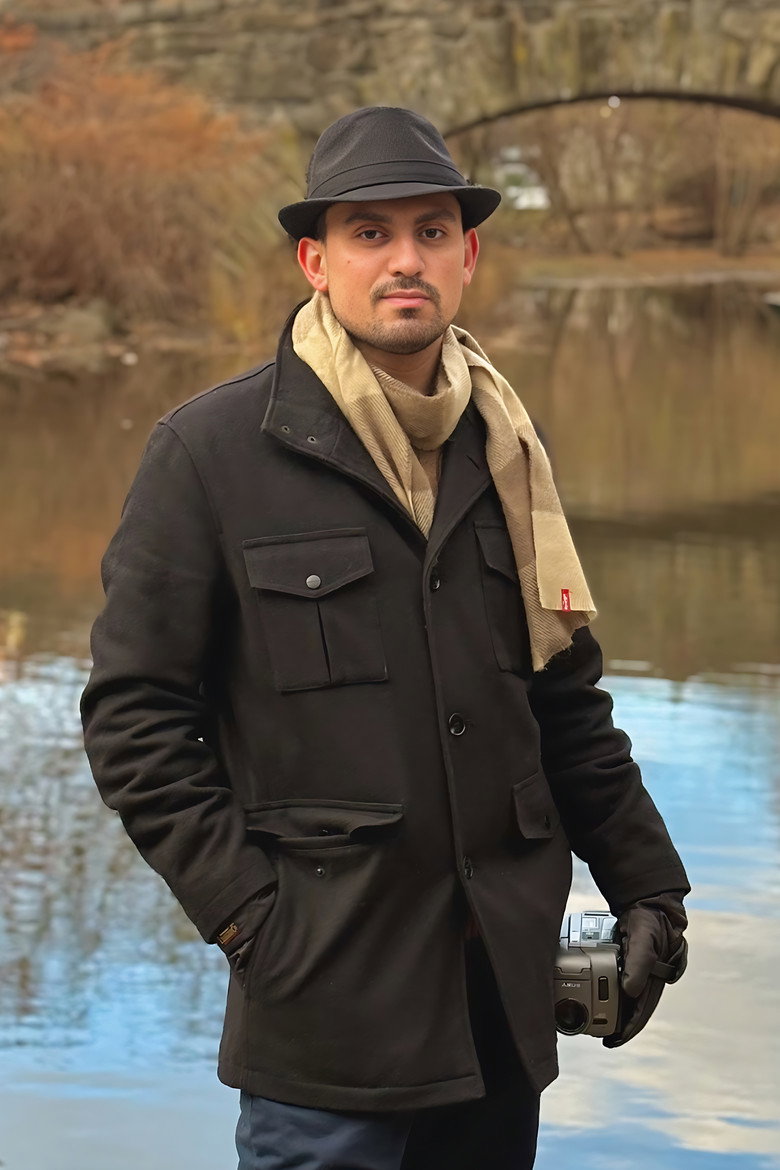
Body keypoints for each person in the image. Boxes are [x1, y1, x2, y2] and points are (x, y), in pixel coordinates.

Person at [80, 106, 689, 1170]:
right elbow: (135, 722)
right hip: (324, 1014)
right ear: (316, 262)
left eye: (431, 231)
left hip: (499, 1014)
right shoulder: (209, 454)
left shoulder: (510, 452)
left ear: (468, 256)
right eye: (370, 233)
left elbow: (564, 703)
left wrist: (651, 892)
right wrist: (250, 921)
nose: (405, 259)